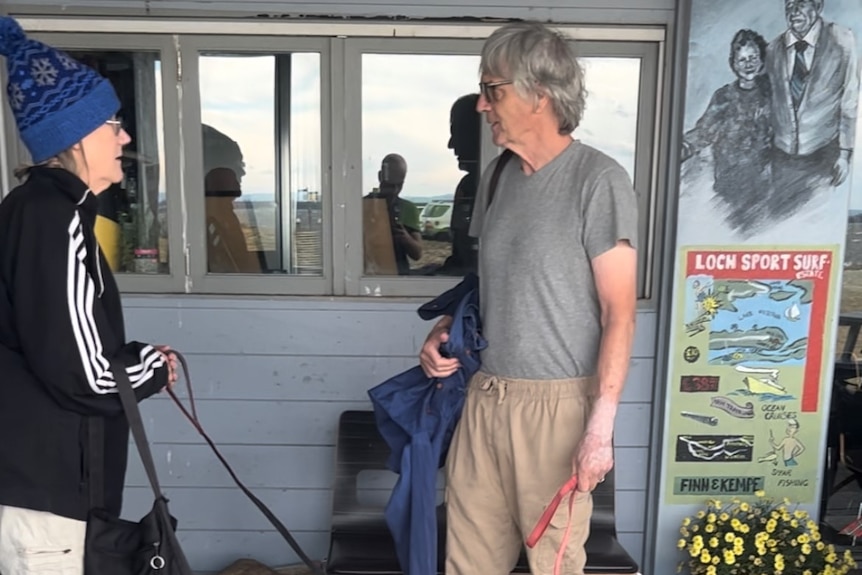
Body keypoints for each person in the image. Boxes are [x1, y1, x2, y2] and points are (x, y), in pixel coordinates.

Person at [419, 21, 638, 575]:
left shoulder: (598, 181)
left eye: (492, 90)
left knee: (553, 566)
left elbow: (619, 313)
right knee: (465, 564)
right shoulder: (496, 179)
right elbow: (487, 285)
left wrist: (599, 430)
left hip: (557, 409)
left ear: (539, 94)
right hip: (485, 395)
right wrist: (443, 329)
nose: (481, 105)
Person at [0, 17, 177, 575]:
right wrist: (153, 365)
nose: (124, 138)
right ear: (75, 136)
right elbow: (85, 373)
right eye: (113, 125)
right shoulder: (54, 218)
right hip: (49, 501)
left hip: (40, 490)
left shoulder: (39, 212)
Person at [764, 0, 859, 218]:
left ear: (818, 7)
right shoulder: (772, 49)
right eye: (788, 4)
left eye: (801, 3)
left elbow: (850, 99)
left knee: (816, 222)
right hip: (782, 159)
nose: (793, 10)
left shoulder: (841, 40)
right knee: (781, 221)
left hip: (824, 155)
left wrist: (845, 154)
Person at [681, 29, 773, 235]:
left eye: (753, 58)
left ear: (761, 60)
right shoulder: (724, 97)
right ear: (733, 63)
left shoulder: (772, 95)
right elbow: (704, 131)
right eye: (742, 59)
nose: (748, 64)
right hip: (728, 188)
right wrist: (683, 148)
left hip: (763, 190)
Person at [442, 93, 482, 274]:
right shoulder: (467, 186)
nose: (451, 144)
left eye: (457, 132)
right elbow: (462, 259)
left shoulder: (504, 188)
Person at [366, 153, 423, 274]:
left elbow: (417, 254)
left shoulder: (408, 209)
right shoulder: (363, 206)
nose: (395, 190)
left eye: (400, 185)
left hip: (398, 276)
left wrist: (405, 238)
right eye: (391, 185)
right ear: (380, 176)